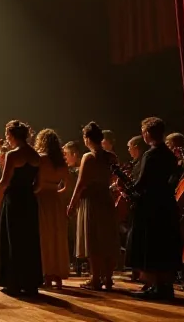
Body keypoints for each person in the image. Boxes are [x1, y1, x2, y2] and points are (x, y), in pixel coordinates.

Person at [126, 117, 182, 300]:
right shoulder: (169, 154)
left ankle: (156, 287)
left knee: (150, 245)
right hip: (166, 204)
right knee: (164, 245)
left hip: (150, 205)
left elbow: (142, 182)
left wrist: (128, 188)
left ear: (148, 134)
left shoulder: (150, 155)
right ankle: (165, 287)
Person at [67, 122, 119, 290]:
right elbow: (114, 178)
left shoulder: (88, 157)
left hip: (91, 200)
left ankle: (95, 278)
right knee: (107, 238)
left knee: (93, 239)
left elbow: (81, 183)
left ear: (87, 138)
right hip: (106, 197)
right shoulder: (111, 157)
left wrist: (72, 203)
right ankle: (109, 279)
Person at [0, 120, 42, 296]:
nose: (6, 138)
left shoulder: (12, 155)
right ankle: (30, 283)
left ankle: (13, 283)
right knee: (29, 241)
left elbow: (4, 182)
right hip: (29, 200)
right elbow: (39, 185)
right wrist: (27, 192)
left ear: (12, 136)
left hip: (14, 200)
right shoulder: (36, 155)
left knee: (13, 239)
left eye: (7, 135)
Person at [34, 129, 70, 288]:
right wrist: (55, 191)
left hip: (40, 199)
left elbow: (37, 183)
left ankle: (45, 274)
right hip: (55, 201)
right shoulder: (61, 163)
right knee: (57, 237)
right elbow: (69, 187)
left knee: (43, 238)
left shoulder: (40, 159)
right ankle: (57, 276)